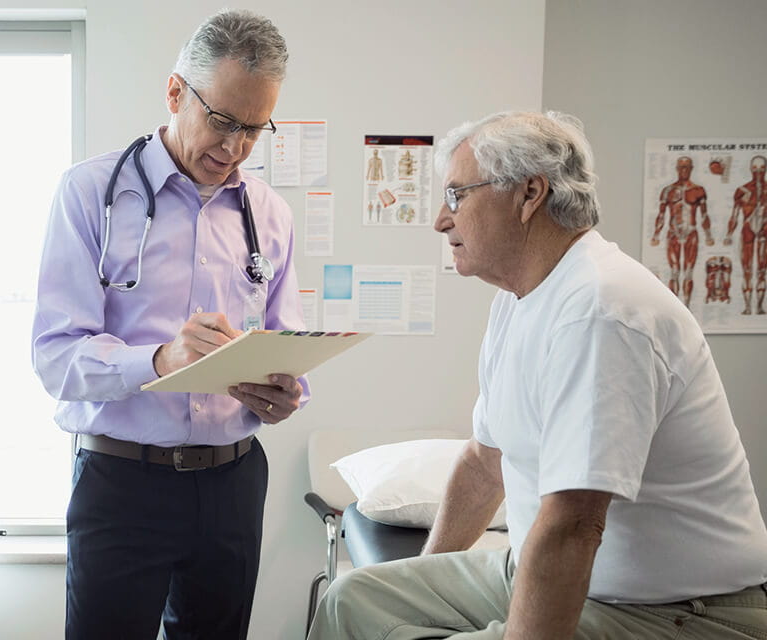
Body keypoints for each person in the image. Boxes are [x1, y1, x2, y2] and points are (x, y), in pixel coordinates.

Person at [308, 110, 767, 639]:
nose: (440, 219)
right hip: (541, 568)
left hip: (673, 611)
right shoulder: (519, 299)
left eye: (457, 195)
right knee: (355, 599)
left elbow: (575, 524)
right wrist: (421, 583)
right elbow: (485, 465)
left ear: (529, 194)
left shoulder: (602, 311)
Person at [31, 9, 307, 639]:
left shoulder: (270, 213)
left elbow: (283, 336)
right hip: (122, 483)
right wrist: (159, 361)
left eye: (255, 130)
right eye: (223, 121)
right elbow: (55, 357)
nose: (234, 147)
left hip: (234, 482)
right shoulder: (88, 193)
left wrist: (285, 392)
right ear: (176, 92)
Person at [651, 156, 715, 307]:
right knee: (674, 271)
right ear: (677, 169)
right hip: (673, 233)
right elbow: (661, 215)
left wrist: (708, 235)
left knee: (688, 272)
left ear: (691, 168)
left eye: (687, 167)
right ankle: (675, 309)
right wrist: (656, 235)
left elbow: (704, 215)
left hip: (691, 234)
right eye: (681, 167)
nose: (684, 170)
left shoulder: (698, 190)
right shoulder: (668, 191)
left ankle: (686, 307)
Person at [726, 155, 767, 314]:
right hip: (747, 230)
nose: (758, 172)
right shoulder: (742, 191)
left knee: (762, 270)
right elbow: (735, 214)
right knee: (747, 270)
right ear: (751, 169)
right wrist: (729, 234)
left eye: (761, 168)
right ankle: (748, 306)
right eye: (755, 168)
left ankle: (759, 306)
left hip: (764, 231)